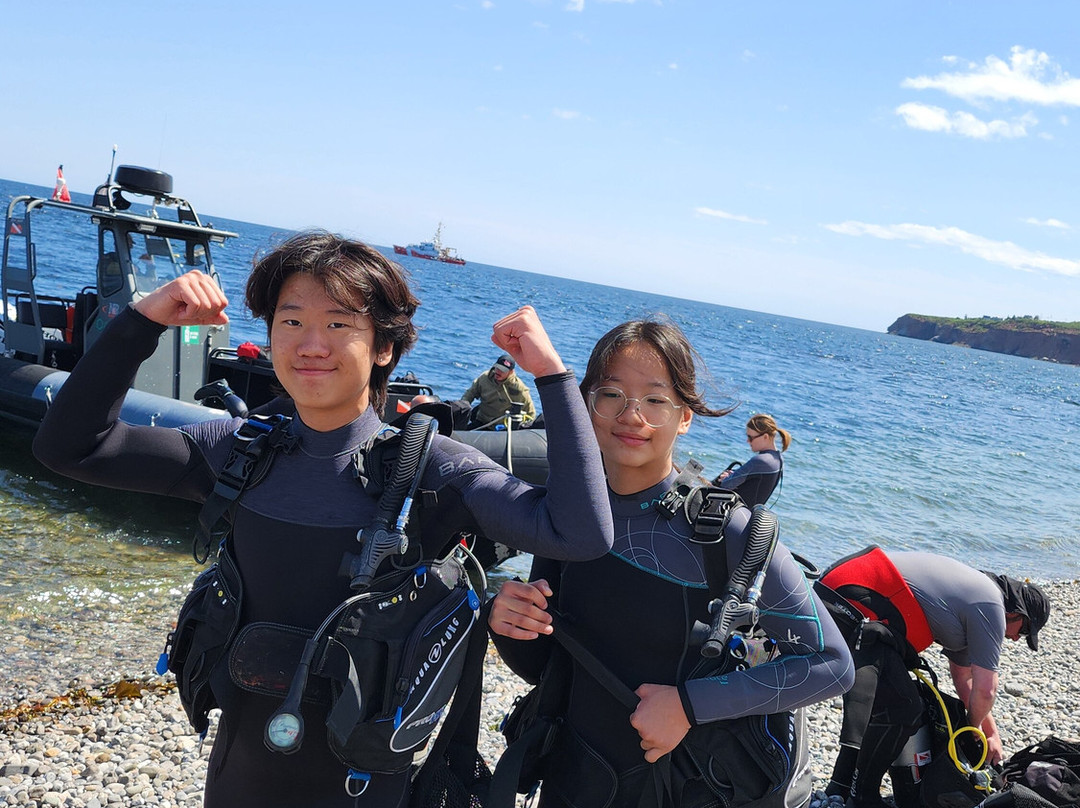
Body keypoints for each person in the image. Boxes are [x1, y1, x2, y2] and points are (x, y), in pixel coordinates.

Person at [33, 230, 614, 808]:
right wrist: (145, 320)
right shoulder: (239, 452)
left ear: (383, 347)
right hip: (238, 776)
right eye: (291, 322)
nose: (312, 344)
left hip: (364, 784)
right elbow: (73, 447)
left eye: (339, 324)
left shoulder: (432, 472)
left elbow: (580, 532)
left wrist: (552, 376)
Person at [488, 319, 854, 808]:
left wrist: (689, 707)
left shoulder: (728, 531)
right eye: (611, 394)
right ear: (587, 406)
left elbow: (831, 666)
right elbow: (549, 668)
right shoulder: (568, 515)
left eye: (656, 400)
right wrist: (509, 623)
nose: (631, 415)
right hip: (573, 778)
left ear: (684, 417)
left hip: (683, 787)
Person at [819, 547, 1052, 808]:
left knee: (891, 700)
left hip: (849, 595)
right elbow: (987, 690)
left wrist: (990, 733)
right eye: (1023, 632)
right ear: (1016, 613)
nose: (1015, 639)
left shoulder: (975, 597)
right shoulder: (990, 606)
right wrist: (968, 731)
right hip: (852, 599)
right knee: (903, 708)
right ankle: (862, 798)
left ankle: (839, 788)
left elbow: (965, 680)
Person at [714, 413, 790, 507]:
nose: (748, 441)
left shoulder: (761, 461)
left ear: (765, 437)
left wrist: (726, 477)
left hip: (734, 512)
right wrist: (733, 475)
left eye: (751, 437)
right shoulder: (778, 458)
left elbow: (725, 484)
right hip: (749, 513)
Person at [462, 353, 536, 427]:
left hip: (502, 427)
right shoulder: (484, 378)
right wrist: (463, 407)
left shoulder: (518, 388)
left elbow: (530, 413)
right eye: (497, 368)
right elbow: (470, 394)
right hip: (482, 420)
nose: (498, 372)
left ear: (511, 372)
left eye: (503, 370)